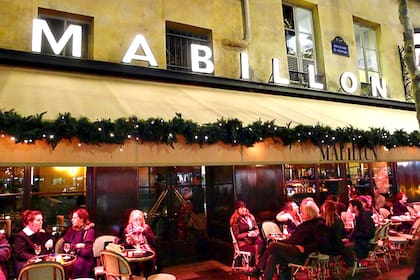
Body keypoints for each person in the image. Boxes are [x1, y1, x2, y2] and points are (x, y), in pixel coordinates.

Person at [246, 200, 327, 280]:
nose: (301, 215)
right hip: (295, 250)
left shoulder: (318, 225)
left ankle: (257, 269)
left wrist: (305, 248)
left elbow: (320, 243)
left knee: (273, 245)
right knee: (273, 257)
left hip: (305, 256)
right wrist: (281, 242)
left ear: (309, 214)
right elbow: (293, 239)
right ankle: (262, 275)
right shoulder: (307, 223)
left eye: (302, 213)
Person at [14, 210, 54, 275]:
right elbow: (20, 253)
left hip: (40, 262)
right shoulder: (21, 236)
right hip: (26, 264)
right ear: (30, 222)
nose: (41, 222)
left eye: (41, 220)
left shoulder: (41, 232)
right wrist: (35, 258)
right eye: (38, 220)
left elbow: (52, 238)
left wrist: (50, 240)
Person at [62, 207, 95, 279]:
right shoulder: (71, 230)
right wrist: (77, 246)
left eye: (75, 218)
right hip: (70, 258)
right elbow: (64, 246)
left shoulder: (89, 231)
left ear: (82, 219)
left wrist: (73, 249)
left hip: (84, 261)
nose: (72, 220)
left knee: (78, 264)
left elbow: (87, 252)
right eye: (72, 218)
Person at [123, 209, 157, 277]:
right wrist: (128, 241)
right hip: (133, 250)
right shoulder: (127, 229)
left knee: (149, 262)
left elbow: (153, 241)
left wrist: (144, 232)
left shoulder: (146, 227)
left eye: (140, 219)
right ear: (131, 220)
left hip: (146, 249)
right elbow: (125, 245)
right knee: (134, 265)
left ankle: (148, 277)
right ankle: (136, 277)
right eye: (136, 219)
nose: (138, 222)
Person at [320, 200, 354, 267]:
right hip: (337, 248)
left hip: (325, 249)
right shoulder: (338, 220)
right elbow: (343, 235)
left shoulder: (321, 221)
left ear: (324, 209)